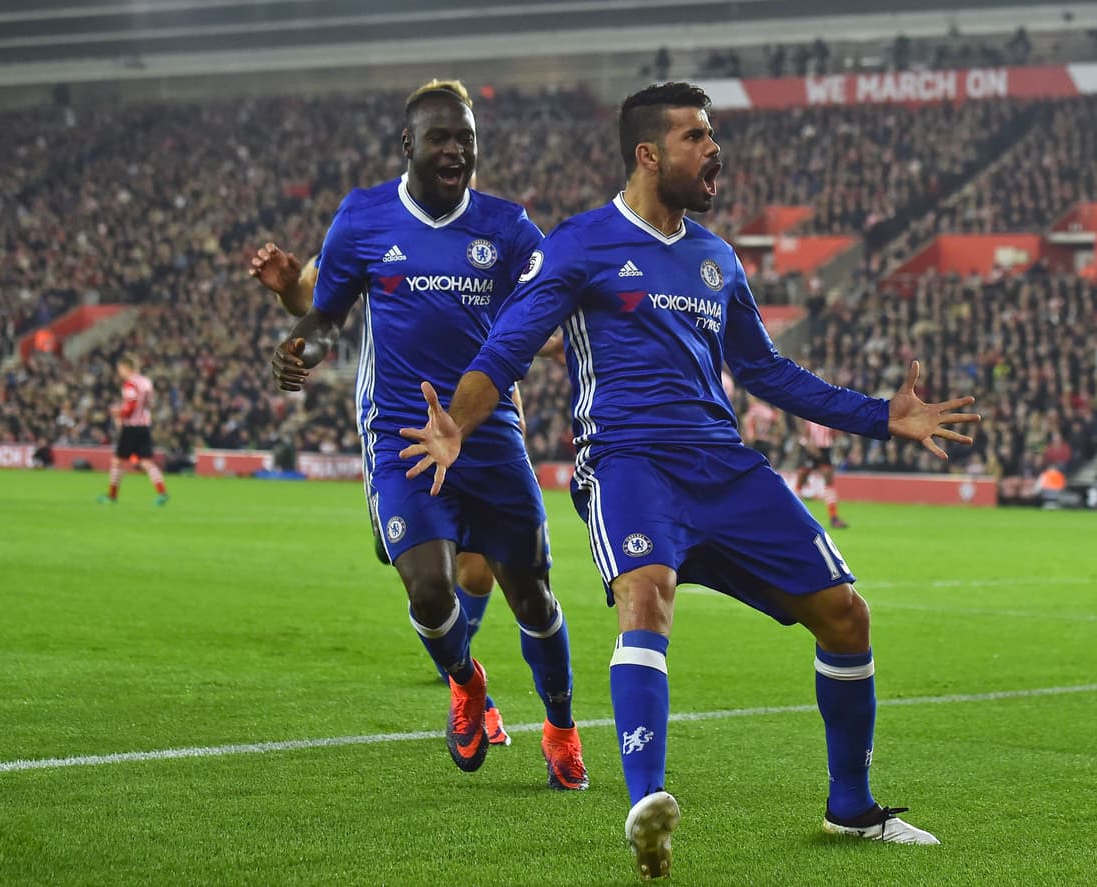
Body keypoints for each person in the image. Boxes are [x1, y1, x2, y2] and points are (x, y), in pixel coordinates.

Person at [399, 82, 980, 880]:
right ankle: (648, 805)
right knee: (646, 595)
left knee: (847, 616)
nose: (715, 150)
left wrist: (883, 415)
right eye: (697, 136)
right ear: (648, 153)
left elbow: (766, 371)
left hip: (725, 466)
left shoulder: (715, 258)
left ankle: (851, 805)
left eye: (713, 135)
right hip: (630, 462)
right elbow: (505, 349)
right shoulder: (581, 243)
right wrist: (459, 422)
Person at [269, 79, 586, 787]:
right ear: (409, 144)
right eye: (441, 136)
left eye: (466, 138)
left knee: (530, 592)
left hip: (489, 430)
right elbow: (327, 316)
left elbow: (546, 310)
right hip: (403, 433)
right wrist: (302, 348)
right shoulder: (363, 218)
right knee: (430, 592)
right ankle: (466, 682)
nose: (455, 149)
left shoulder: (508, 228)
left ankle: (561, 725)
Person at [251, 234, 512, 747]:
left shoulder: (495, 233)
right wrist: (287, 294)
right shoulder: (374, 228)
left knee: (480, 567)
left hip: (476, 418)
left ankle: (456, 662)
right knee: (428, 578)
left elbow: (533, 319)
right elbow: (315, 301)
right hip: (398, 428)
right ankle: (465, 677)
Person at [98, 354, 169, 506]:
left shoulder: (130, 384)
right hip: (144, 425)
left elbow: (130, 405)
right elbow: (150, 403)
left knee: (117, 461)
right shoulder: (146, 382)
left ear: (125, 368)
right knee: (146, 462)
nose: (119, 373)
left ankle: (112, 496)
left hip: (131, 426)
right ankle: (162, 492)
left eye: (120, 369)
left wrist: (119, 413)